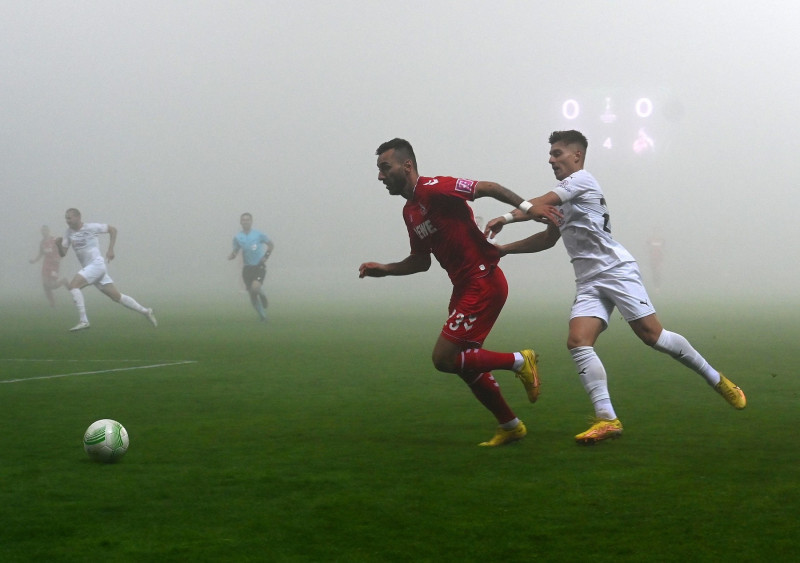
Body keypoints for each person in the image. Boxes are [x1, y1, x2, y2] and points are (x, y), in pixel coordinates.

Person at [486, 130, 746, 444]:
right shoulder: (564, 197)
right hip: (589, 280)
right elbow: (547, 238)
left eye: (558, 153)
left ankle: (717, 380)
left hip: (616, 270)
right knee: (578, 341)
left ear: (577, 156)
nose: (551, 159)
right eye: (551, 154)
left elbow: (540, 203)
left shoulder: (581, 181)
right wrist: (505, 249)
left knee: (654, 337)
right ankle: (607, 419)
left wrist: (505, 216)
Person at [358, 138, 560, 447]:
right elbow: (421, 261)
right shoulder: (410, 211)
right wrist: (385, 269)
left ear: (407, 165)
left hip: (483, 281)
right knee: (465, 363)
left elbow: (489, 187)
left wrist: (529, 209)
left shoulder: (435, 188)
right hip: (464, 287)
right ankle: (510, 425)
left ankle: (520, 361)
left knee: (444, 358)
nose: (380, 177)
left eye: (385, 168)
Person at [55, 208, 157, 332]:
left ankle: (84, 321)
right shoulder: (68, 233)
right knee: (116, 297)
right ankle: (146, 311)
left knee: (73, 286)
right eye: (66, 218)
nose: (67, 220)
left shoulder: (91, 227)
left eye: (69, 218)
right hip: (91, 268)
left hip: (97, 265)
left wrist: (110, 249)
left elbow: (112, 230)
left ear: (78, 217)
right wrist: (58, 245)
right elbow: (62, 254)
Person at [228, 212, 274, 322]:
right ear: (240, 222)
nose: (245, 221)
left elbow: (271, 245)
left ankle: (262, 295)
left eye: (247, 219)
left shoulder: (258, 234)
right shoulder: (238, 237)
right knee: (252, 295)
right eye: (243, 220)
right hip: (247, 269)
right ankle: (263, 316)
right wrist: (232, 255)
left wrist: (266, 256)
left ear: (251, 221)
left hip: (259, 266)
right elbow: (236, 249)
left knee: (255, 288)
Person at [29, 225, 68, 306]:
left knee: (52, 286)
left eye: (45, 231)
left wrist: (59, 259)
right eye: (42, 231)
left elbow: (62, 249)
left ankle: (64, 281)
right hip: (46, 264)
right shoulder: (42, 242)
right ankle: (52, 302)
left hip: (54, 265)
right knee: (45, 285)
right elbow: (41, 253)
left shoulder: (53, 240)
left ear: (48, 231)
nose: (43, 232)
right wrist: (34, 260)